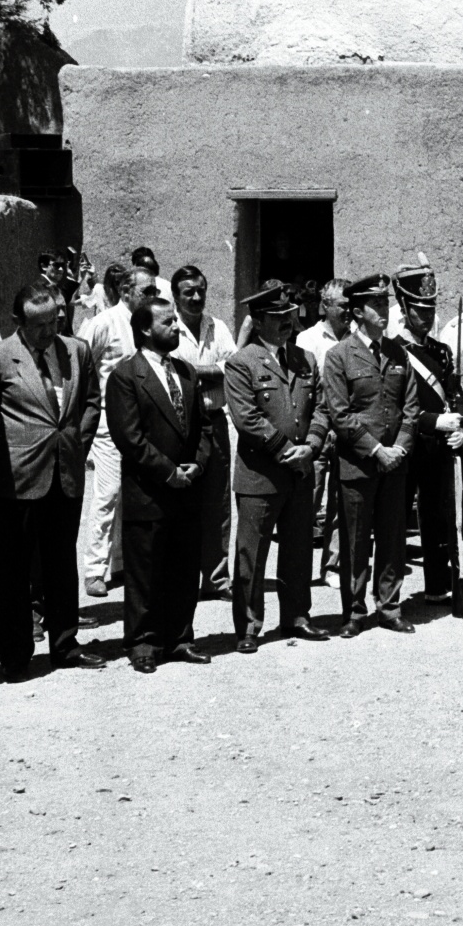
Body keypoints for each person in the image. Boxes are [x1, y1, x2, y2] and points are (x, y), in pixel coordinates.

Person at [0, 281, 105, 680]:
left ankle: (65, 645)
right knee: (14, 568)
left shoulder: (76, 350)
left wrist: (77, 443)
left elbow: (90, 401)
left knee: (61, 563)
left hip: (65, 471)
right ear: (17, 322)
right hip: (18, 477)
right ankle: (16, 656)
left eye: (54, 321)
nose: (49, 332)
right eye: (39, 325)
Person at [107, 294, 211, 673]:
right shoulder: (124, 377)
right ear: (146, 329)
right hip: (149, 491)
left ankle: (180, 637)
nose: (177, 327)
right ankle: (143, 642)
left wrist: (198, 465)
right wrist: (169, 472)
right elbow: (130, 439)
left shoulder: (186, 372)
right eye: (168, 322)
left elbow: (203, 427)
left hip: (187, 490)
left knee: (184, 569)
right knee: (145, 571)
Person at [224, 281, 329, 652]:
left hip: (301, 473)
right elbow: (247, 419)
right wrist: (287, 449)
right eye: (279, 317)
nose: (289, 322)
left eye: (290, 315)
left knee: (299, 549)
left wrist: (312, 446)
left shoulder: (305, 359)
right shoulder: (242, 363)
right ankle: (250, 626)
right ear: (258, 319)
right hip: (260, 475)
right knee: (252, 554)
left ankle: (297, 617)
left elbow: (321, 408)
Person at [320, 274, 419, 635]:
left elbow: (410, 407)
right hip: (358, 464)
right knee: (355, 540)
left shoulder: (398, 353)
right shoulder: (338, 356)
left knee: (393, 538)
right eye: (376, 305)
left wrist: (400, 448)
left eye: (385, 303)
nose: (384, 311)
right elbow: (339, 413)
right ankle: (354, 612)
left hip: (395, 463)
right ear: (358, 312)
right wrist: (377, 450)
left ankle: (390, 607)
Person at [395, 266, 463, 610]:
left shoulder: (441, 351)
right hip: (409, 445)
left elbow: (458, 395)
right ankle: (390, 597)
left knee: (440, 519)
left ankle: (439, 586)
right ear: (404, 308)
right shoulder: (394, 352)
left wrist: (462, 426)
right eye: (419, 311)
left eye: (430, 310)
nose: (426, 317)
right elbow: (393, 408)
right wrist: (434, 421)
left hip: (440, 448)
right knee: (397, 522)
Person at [77, 262, 150, 597]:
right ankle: (94, 570)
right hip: (108, 423)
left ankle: (121, 563)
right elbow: (79, 362)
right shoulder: (103, 323)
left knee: (134, 494)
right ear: (125, 291)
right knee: (107, 494)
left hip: (142, 423)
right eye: (146, 291)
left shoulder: (146, 324)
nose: (152, 296)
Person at [170, 266, 236, 600]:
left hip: (215, 420)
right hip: (182, 425)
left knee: (218, 501)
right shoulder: (169, 328)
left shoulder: (218, 326)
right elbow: (170, 373)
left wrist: (194, 372)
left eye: (200, 290)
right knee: (184, 501)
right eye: (188, 292)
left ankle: (216, 578)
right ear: (176, 296)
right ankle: (182, 577)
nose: (196, 298)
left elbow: (234, 369)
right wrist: (211, 373)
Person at [298, 279, 355, 588]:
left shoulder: (357, 339)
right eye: (341, 306)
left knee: (341, 501)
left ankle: (332, 565)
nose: (347, 311)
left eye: (350, 305)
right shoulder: (307, 340)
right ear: (325, 307)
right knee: (308, 497)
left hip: (348, 430)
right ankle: (299, 565)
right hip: (316, 431)